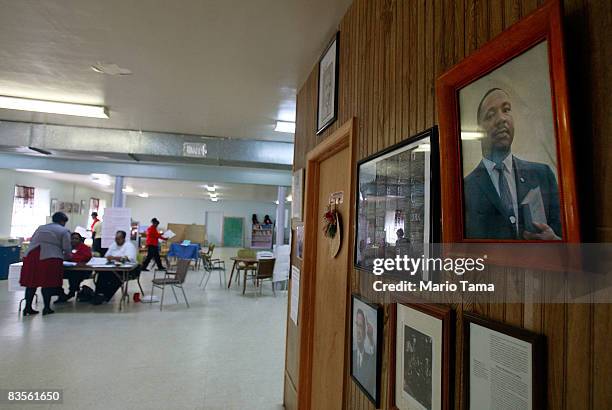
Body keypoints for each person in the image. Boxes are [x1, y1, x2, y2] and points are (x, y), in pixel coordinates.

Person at [464, 87, 561, 240]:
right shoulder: (465, 189)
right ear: (478, 131)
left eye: (506, 110)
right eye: (490, 115)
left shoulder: (543, 175)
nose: (501, 119)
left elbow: (566, 240)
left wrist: (554, 242)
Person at [19, 212, 71, 316]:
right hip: (50, 257)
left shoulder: (41, 228)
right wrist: (68, 256)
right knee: (47, 283)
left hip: (32, 256)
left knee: (31, 283)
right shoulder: (64, 231)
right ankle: (47, 308)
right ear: (63, 221)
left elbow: (33, 239)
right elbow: (67, 248)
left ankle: (27, 308)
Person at [92, 230, 140, 304]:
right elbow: (107, 255)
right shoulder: (114, 245)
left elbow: (128, 258)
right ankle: (98, 294)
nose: (117, 240)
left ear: (123, 239)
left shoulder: (129, 246)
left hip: (128, 270)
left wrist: (114, 258)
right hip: (112, 267)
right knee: (102, 273)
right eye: (116, 238)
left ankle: (106, 296)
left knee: (115, 277)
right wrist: (110, 258)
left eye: (119, 238)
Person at [57, 232, 92, 302]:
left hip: (81, 270)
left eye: (76, 239)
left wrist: (71, 258)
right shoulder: (66, 247)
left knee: (74, 274)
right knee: (55, 275)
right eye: (72, 238)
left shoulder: (84, 247)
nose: (74, 240)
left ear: (80, 240)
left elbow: (86, 257)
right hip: (67, 269)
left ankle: (71, 292)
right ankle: (60, 293)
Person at [352, 308, 376, 395]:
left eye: (361, 326)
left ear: (366, 331)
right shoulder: (351, 355)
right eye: (357, 325)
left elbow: (375, 360)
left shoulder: (370, 359)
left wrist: (371, 338)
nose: (358, 331)